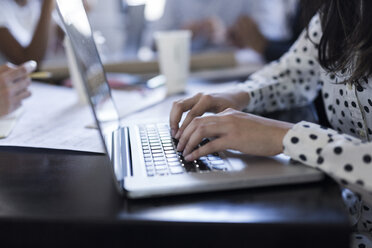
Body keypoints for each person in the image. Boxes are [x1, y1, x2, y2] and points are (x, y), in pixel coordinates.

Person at [169, 1, 372, 247]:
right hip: (341, 217)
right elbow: (293, 73)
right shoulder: (339, 10)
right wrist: (237, 96)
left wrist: (284, 137)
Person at [148, 0, 293, 54]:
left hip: (242, 74)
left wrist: (231, 35)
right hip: (191, 76)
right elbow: (151, 43)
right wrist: (181, 35)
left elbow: (276, 37)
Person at [0, 0, 55, 65]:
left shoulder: (35, 4)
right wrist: (48, 3)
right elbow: (28, 62)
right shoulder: (3, 8)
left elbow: (66, 35)